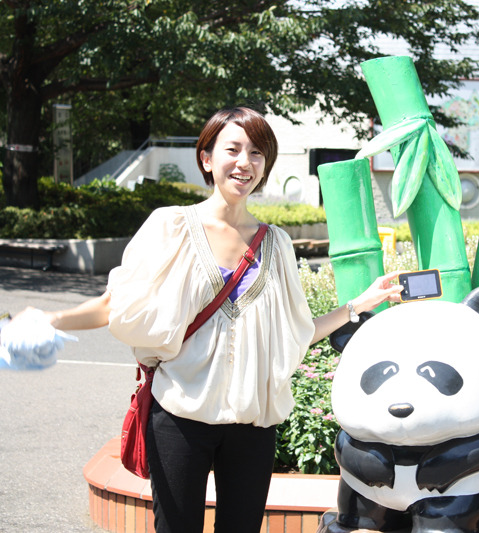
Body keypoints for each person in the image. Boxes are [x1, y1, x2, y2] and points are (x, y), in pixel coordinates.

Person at [12, 106, 403, 533]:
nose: (245, 162)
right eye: (232, 149)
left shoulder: (277, 243)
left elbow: (296, 331)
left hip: (253, 426)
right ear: (206, 158)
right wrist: (53, 319)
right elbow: (115, 305)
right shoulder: (171, 227)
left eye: (257, 152)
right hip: (180, 417)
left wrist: (357, 305)